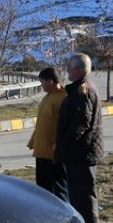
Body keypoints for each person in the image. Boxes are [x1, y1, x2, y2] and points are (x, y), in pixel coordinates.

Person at [54, 53, 104, 223]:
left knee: (83, 192)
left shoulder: (83, 90)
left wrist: (68, 143)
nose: (67, 70)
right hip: (80, 151)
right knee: (77, 192)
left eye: (70, 67)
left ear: (79, 69)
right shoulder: (79, 88)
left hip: (81, 152)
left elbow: (82, 122)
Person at [26, 66, 69, 201]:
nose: (41, 85)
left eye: (42, 82)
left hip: (54, 153)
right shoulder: (48, 97)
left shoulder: (64, 98)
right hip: (42, 151)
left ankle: (64, 215)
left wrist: (59, 144)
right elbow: (43, 122)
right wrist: (33, 140)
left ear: (50, 81)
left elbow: (66, 125)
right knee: (43, 188)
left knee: (58, 188)